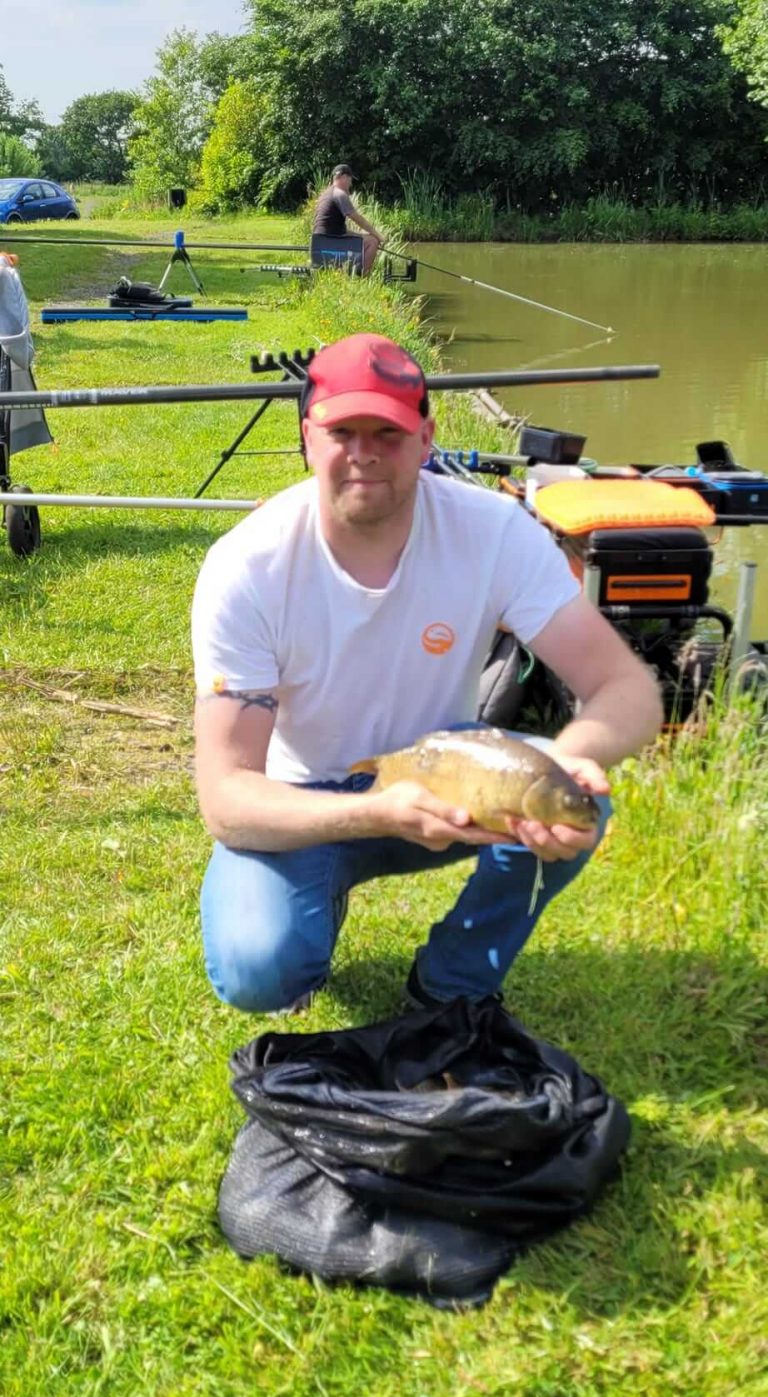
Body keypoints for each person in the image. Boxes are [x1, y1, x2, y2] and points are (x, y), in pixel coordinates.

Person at [192, 331, 663, 1015]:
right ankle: (318, 890)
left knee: (577, 797)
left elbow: (630, 691)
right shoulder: (247, 567)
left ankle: (451, 982)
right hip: (309, 798)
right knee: (259, 969)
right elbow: (226, 795)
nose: (363, 453)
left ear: (426, 438)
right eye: (342, 430)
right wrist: (373, 812)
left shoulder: (494, 530)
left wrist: (567, 759)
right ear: (306, 439)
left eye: (386, 431)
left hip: (451, 775)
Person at [311, 164, 382, 276]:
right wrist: (378, 236)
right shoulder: (340, 194)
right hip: (331, 240)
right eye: (350, 180)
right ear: (344, 177)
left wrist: (358, 235)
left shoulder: (325, 194)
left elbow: (332, 226)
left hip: (320, 241)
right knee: (372, 241)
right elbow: (358, 219)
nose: (351, 184)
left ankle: (356, 272)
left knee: (363, 237)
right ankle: (363, 278)